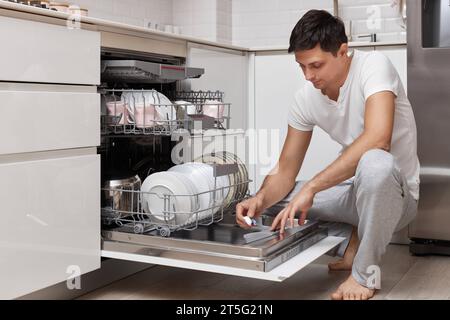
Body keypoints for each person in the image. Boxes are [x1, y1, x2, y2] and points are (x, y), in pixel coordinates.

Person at [235, 9, 420, 300]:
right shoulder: (305, 99)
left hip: (397, 197)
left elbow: (378, 138)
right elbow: (285, 170)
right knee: (272, 203)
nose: (308, 76)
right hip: (353, 195)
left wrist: (312, 187)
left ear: (343, 52)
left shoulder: (374, 66)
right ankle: (350, 241)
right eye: (302, 67)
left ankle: (364, 274)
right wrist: (259, 197)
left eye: (316, 65)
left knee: (375, 162)